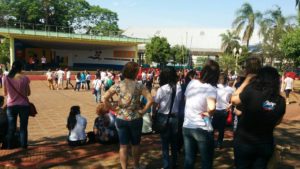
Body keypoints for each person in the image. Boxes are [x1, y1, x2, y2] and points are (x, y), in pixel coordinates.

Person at [231, 66, 286, 169]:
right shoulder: (281, 101)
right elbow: (278, 122)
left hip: (244, 142)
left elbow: (234, 100)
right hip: (265, 144)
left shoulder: (251, 91)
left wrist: (246, 80)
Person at [103, 62, 153, 169]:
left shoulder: (118, 85)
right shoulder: (140, 86)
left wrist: (112, 108)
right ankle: (136, 166)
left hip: (121, 118)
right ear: (135, 72)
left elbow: (104, 98)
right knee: (136, 144)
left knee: (123, 145)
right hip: (135, 118)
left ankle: (124, 167)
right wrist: (143, 111)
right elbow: (150, 100)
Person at [183, 60, 220, 169]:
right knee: (206, 161)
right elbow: (212, 107)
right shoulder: (210, 88)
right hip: (201, 128)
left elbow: (185, 99)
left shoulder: (192, 82)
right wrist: (208, 112)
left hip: (187, 125)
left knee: (189, 160)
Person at [153, 67, 182, 169]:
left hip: (163, 117)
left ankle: (166, 165)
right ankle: (175, 162)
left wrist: (153, 114)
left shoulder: (162, 89)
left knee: (165, 143)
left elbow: (155, 103)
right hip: (175, 118)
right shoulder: (179, 87)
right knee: (174, 142)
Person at [3, 61, 31, 149]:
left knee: (11, 128)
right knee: (23, 127)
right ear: (21, 68)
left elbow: (5, 93)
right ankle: (24, 145)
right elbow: (28, 93)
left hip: (11, 105)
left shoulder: (6, 78)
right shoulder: (25, 78)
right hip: (24, 105)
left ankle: (9, 146)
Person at [212, 73, 234, 149]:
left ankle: (212, 142)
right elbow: (232, 101)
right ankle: (219, 144)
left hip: (215, 109)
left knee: (212, 127)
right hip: (225, 110)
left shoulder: (214, 88)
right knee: (221, 128)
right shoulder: (230, 89)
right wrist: (229, 106)